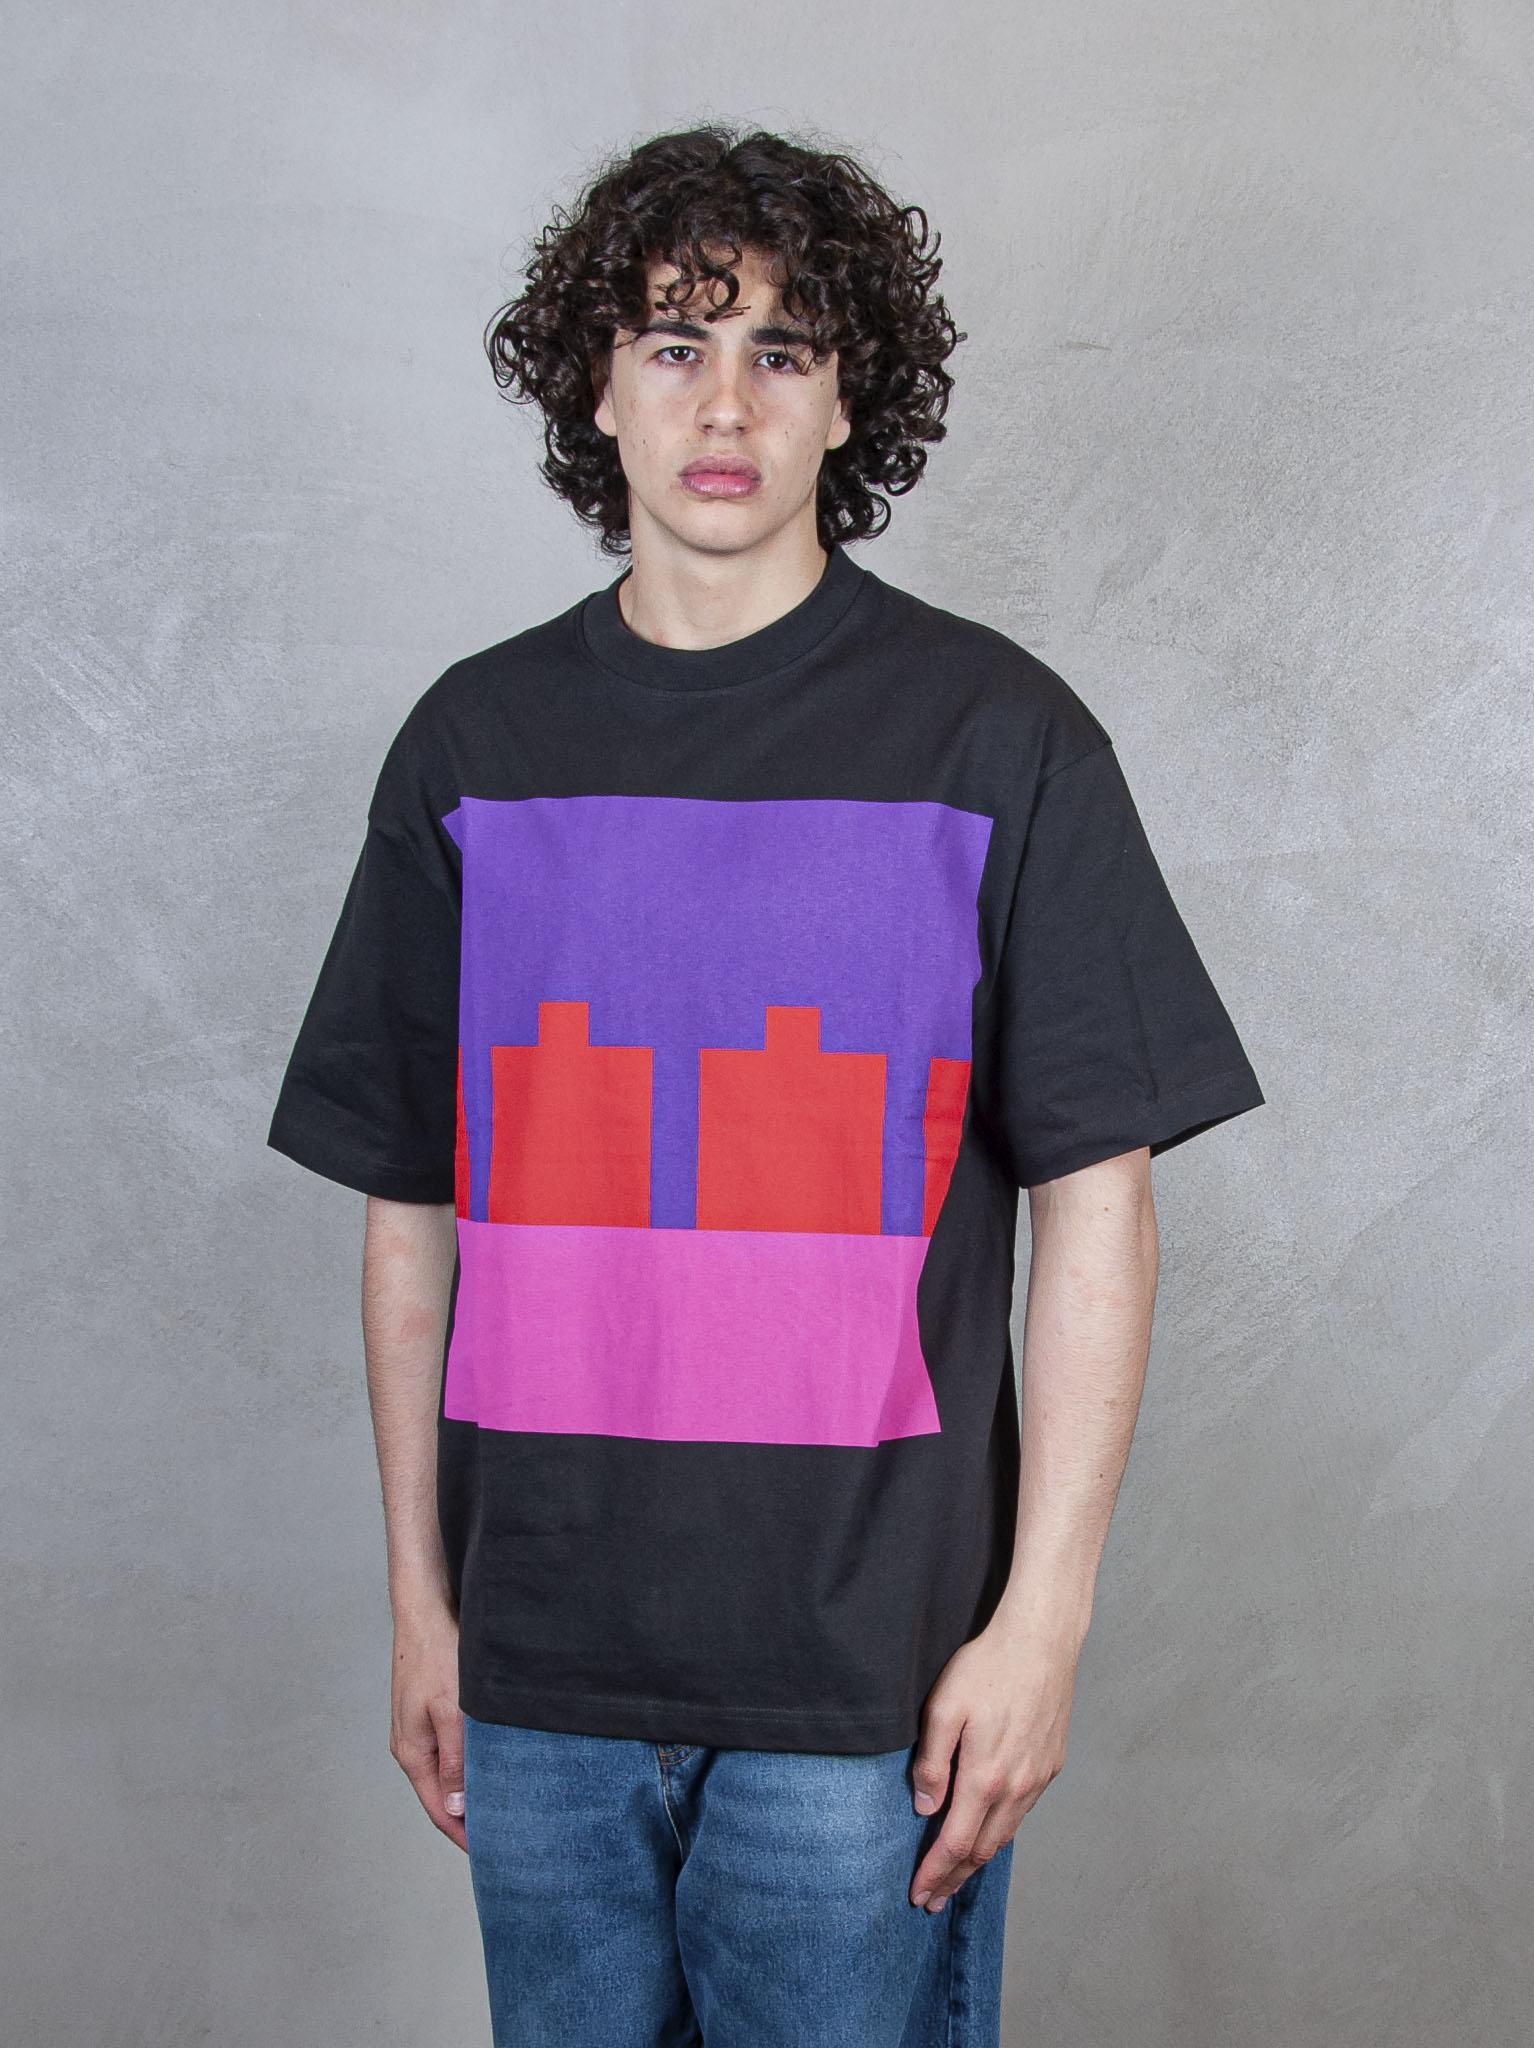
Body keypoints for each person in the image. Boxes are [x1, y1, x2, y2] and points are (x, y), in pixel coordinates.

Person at [266, 123, 1265, 2048]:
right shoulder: (474, 743)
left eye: (781, 351)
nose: (722, 405)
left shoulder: (998, 739)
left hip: (868, 1686)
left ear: (846, 397)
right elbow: (409, 1210)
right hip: (540, 1672)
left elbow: (1099, 1207)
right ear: (597, 389)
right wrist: (421, 1604)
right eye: (672, 345)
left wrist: (1040, 1624)